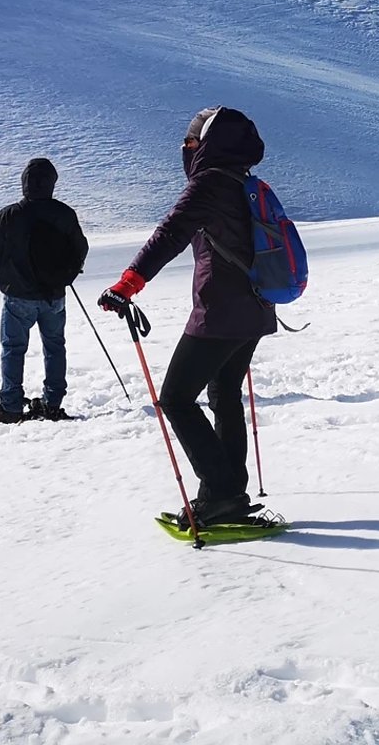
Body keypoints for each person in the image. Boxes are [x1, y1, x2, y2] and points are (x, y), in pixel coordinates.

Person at [100, 106, 273, 526]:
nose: (185, 147)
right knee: (224, 395)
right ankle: (231, 492)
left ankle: (220, 493)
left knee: (176, 399)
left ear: (206, 145)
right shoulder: (246, 183)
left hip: (220, 311)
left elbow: (170, 233)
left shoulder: (209, 183)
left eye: (191, 141)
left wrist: (128, 283)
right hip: (256, 308)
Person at [0, 157, 89, 423]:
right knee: (55, 347)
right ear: (52, 183)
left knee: (13, 348)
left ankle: (11, 407)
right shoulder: (65, 213)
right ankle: (52, 403)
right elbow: (80, 249)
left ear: (24, 183)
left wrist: (3, 273)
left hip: (17, 296)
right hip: (54, 296)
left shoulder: (9, 215)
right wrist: (66, 277)